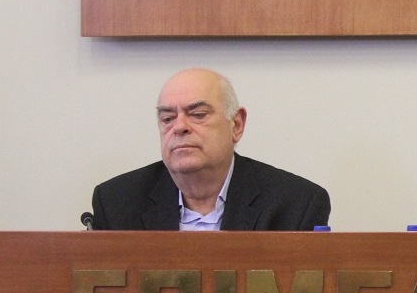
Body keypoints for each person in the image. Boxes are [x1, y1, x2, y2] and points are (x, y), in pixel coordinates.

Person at [91, 68, 330, 230]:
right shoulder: (116, 203)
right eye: (167, 118)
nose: (179, 127)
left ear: (236, 124)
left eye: (198, 114)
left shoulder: (297, 204)